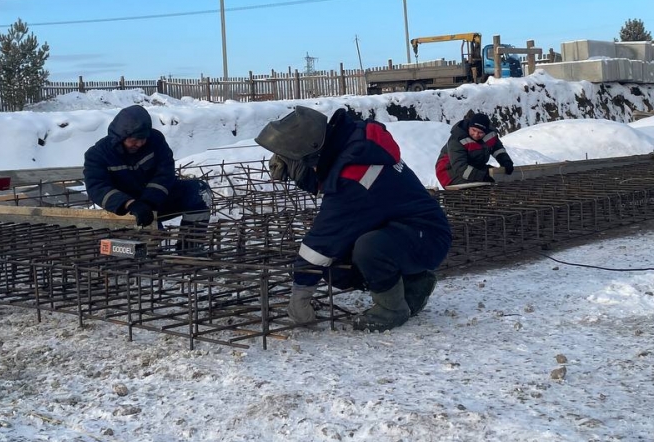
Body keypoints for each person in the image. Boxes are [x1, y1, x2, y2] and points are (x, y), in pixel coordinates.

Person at [256, 106, 452, 332]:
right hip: (403, 231)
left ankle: (392, 309)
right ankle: (413, 284)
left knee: (367, 248)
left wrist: (300, 293)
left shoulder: (359, 174)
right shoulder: (352, 145)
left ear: (311, 153)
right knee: (336, 266)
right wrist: (301, 173)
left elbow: (324, 237)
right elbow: (333, 178)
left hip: (427, 237)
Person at [83, 105, 211, 234]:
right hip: (124, 209)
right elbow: (97, 187)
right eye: (134, 140)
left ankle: (192, 247)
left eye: (143, 139)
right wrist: (129, 203)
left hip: (154, 200)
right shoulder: (98, 154)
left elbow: (165, 173)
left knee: (199, 191)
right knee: (153, 241)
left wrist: (148, 202)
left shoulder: (155, 141)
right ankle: (150, 245)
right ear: (121, 136)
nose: (139, 144)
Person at [435, 112, 515, 188]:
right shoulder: (457, 139)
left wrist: (506, 162)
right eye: (473, 130)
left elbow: (498, 150)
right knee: (483, 186)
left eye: (480, 132)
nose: (476, 135)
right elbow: (460, 168)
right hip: (449, 172)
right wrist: (481, 176)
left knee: (498, 177)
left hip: (474, 167)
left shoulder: (490, 136)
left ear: (486, 132)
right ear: (469, 126)